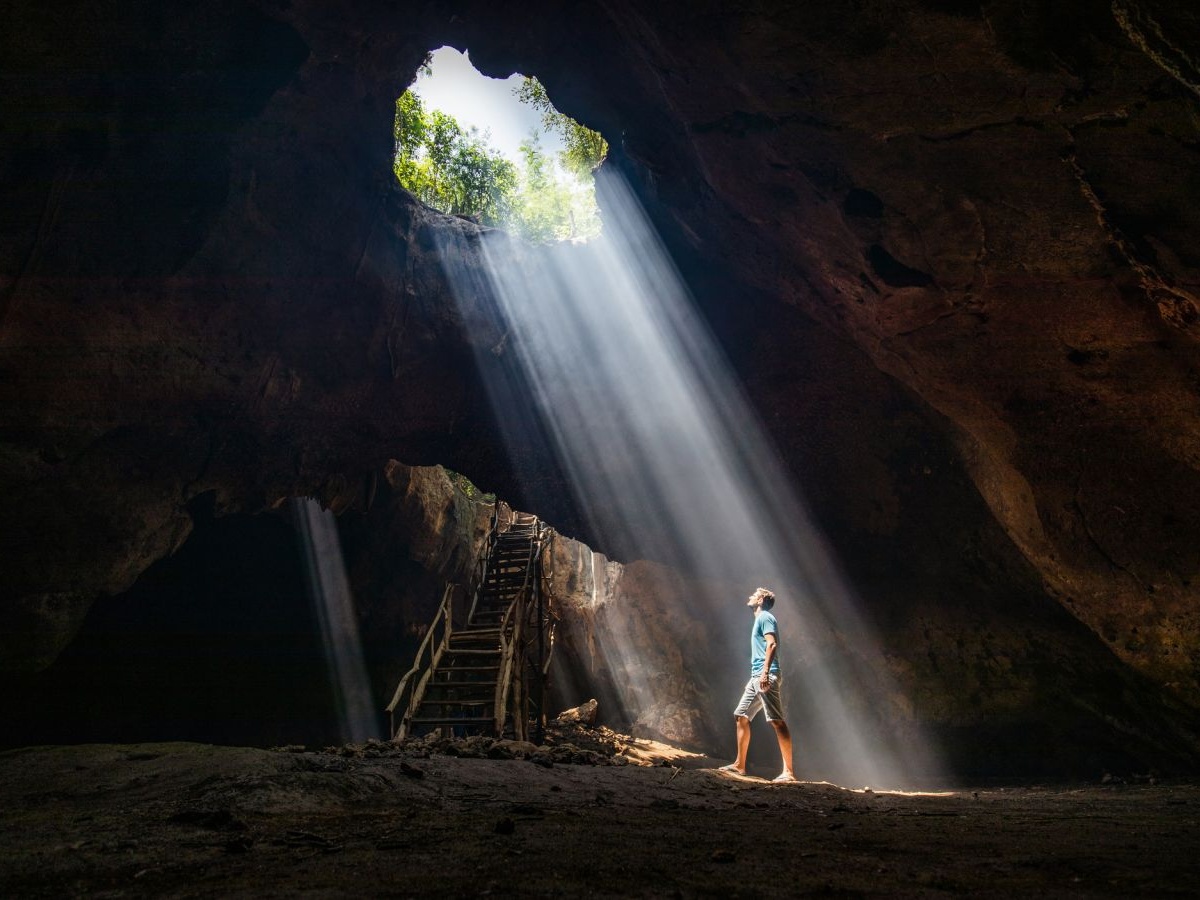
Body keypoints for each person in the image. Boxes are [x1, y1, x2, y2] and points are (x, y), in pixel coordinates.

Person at [720, 587, 796, 782]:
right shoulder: (759, 619)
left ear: (761, 599)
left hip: (766, 675)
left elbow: (771, 644)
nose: (750, 596)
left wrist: (764, 674)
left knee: (776, 720)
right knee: (741, 715)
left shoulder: (765, 617)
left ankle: (788, 772)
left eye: (754, 594)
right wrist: (755, 677)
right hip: (757, 677)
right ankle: (739, 766)